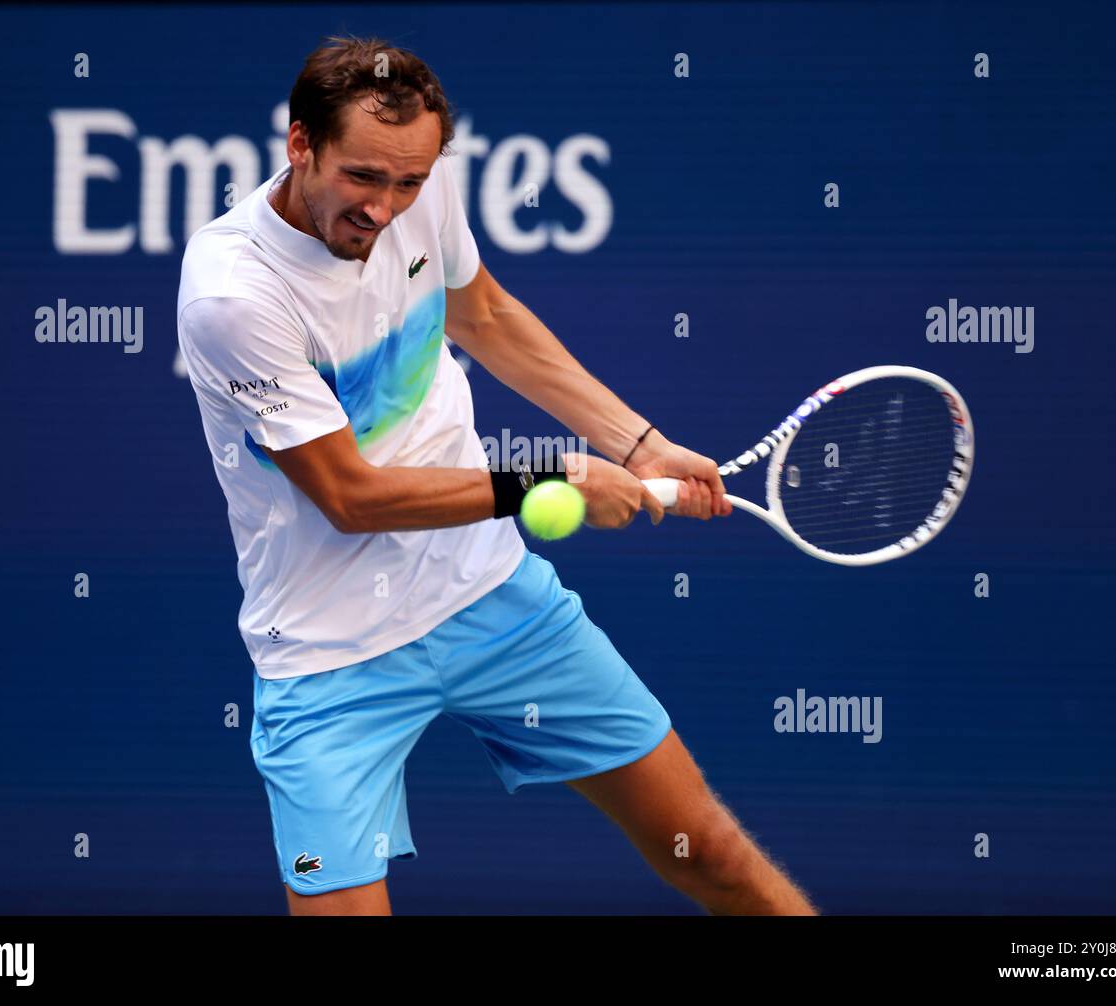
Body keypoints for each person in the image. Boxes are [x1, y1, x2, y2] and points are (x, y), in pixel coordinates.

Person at [177, 35, 815, 916]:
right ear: (299, 145)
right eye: (363, 178)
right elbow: (350, 496)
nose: (387, 208)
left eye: (409, 182)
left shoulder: (419, 194)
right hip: (328, 654)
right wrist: (545, 475)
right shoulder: (233, 295)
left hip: (490, 596)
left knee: (706, 848)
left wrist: (637, 445)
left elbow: (485, 316)